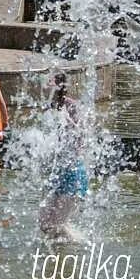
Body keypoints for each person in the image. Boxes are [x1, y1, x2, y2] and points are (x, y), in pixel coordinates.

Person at [39, 73, 88, 239]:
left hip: (73, 171)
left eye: (52, 84)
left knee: (57, 226)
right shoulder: (49, 107)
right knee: (45, 225)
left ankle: (78, 246)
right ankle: (58, 257)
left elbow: (81, 134)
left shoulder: (71, 106)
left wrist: (68, 121)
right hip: (56, 172)